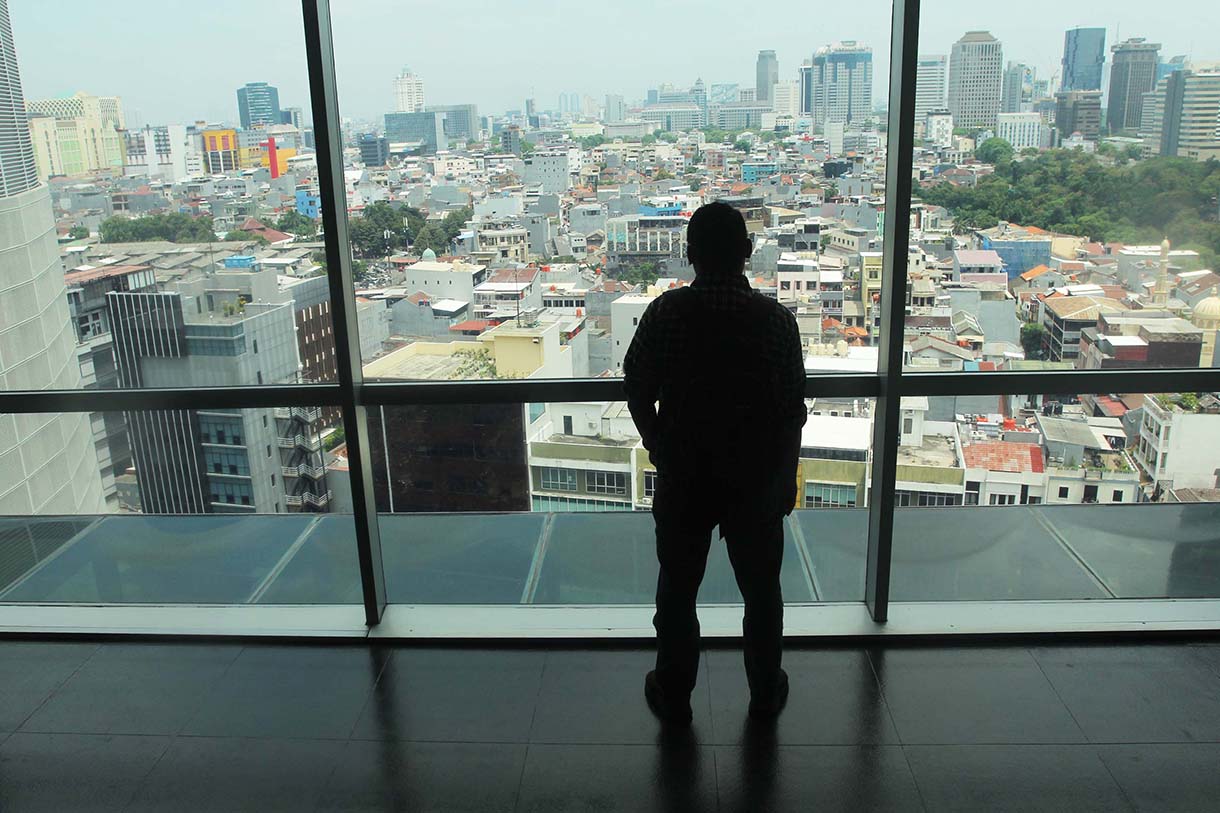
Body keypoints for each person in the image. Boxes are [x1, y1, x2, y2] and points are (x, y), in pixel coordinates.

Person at [623, 201, 806, 724]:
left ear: (690, 255)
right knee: (762, 595)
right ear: (747, 253)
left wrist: (658, 444)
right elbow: (792, 410)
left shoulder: (666, 313)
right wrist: (784, 477)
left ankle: (675, 687)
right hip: (755, 479)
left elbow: (636, 387)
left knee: (677, 591)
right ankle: (765, 689)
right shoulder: (776, 322)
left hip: (685, 476)